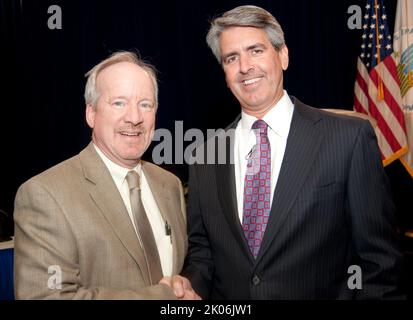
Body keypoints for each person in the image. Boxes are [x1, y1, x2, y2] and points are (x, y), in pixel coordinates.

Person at [164, 5, 403, 299]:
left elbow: (380, 264)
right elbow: (204, 254)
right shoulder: (204, 156)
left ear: (283, 56)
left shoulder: (348, 139)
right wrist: (189, 284)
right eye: (231, 58)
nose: (245, 67)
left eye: (256, 51)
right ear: (224, 71)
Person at [13, 51, 190, 299]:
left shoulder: (169, 186)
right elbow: (45, 296)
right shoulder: (45, 195)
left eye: (145, 105)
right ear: (91, 114)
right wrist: (163, 297)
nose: (135, 118)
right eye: (119, 102)